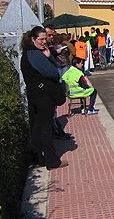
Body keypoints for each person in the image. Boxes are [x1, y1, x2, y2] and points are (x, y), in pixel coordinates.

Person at [20, 26, 69, 170]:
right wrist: (50, 59)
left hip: (34, 95)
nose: (43, 42)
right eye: (40, 39)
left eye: (45, 39)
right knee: (46, 129)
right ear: (32, 39)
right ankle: (52, 161)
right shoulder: (35, 54)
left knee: (36, 128)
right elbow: (53, 73)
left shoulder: (28, 53)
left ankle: (37, 159)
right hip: (43, 97)